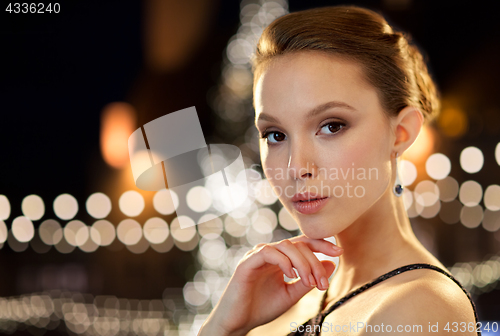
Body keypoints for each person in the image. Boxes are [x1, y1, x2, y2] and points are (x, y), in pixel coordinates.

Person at [198, 5, 480, 336]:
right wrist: (224, 326)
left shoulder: (420, 308)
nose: (296, 167)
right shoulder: (288, 300)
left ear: (400, 133)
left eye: (332, 126)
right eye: (275, 135)